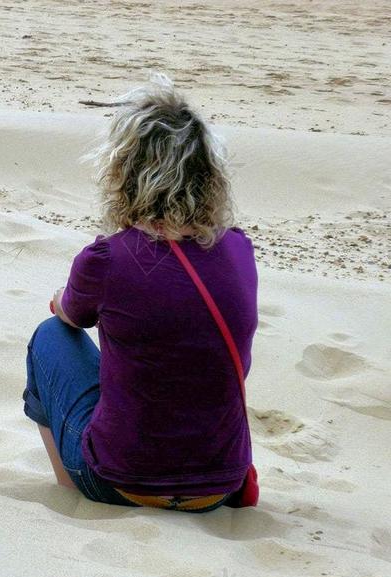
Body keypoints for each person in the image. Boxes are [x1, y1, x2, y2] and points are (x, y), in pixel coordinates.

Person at [23, 76, 259, 512]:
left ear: (125, 173)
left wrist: (65, 298)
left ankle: (75, 493)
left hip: (122, 482)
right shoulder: (238, 250)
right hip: (218, 485)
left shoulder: (107, 258)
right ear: (210, 174)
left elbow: (70, 315)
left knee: (50, 336)